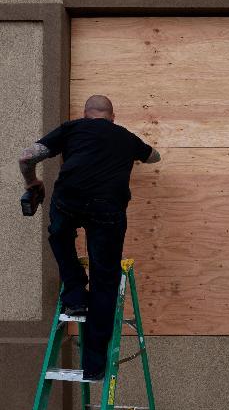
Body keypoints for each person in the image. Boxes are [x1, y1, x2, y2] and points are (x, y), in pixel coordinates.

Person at [18, 95, 160, 380]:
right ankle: (94, 366)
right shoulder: (125, 137)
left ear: (86, 114)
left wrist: (32, 182)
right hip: (108, 209)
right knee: (105, 280)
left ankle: (74, 292)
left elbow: (27, 156)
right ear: (113, 116)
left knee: (59, 235)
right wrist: (134, 154)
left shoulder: (72, 128)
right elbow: (155, 156)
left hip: (68, 202)